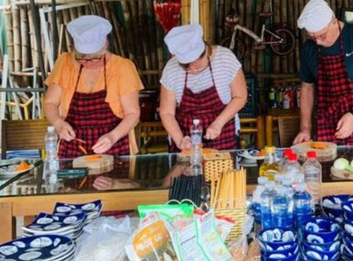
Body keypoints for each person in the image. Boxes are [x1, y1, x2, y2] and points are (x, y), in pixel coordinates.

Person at [293, 0, 353, 145]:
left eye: (321, 35)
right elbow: (307, 88)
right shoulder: (309, 48)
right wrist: (305, 128)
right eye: (312, 37)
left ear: (334, 22)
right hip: (328, 130)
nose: (317, 42)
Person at [43, 15, 143, 158]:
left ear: (106, 46)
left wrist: (112, 137)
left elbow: (133, 114)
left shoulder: (123, 67)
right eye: (82, 57)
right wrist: (58, 124)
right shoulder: (65, 63)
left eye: (95, 57)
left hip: (114, 145)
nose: (88, 62)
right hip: (72, 146)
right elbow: (50, 103)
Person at [159, 23, 247, 151]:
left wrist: (218, 124)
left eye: (197, 67)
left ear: (204, 51)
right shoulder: (171, 69)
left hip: (223, 132)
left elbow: (240, 97)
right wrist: (179, 140)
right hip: (186, 136)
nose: (193, 71)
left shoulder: (225, 58)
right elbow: (166, 112)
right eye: (186, 68)